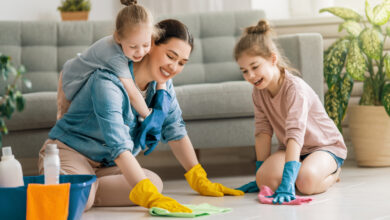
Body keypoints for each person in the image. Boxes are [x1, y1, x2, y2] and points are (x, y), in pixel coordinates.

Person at [38, 19, 243, 213]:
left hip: (108, 165)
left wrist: (199, 178)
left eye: (182, 63)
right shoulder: (107, 81)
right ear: (150, 44)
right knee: (130, 190)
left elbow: (175, 129)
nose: (174, 67)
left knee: (153, 182)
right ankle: (81, 189)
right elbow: (118, 144)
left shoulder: (163, 86)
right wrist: (148, 197)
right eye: (170, 56)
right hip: (70, 153)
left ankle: (86, 187)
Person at [234, 19, 347, 203]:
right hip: (291, 149)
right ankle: (299, 169)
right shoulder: (258, 92)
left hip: (323, 146)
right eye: (244, 71)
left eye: (255, 67)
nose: (251, 76)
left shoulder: (295, 89)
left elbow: (295, 133)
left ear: (272, 59)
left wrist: (287, 181)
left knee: (306, 183)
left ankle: (333, 174)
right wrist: (259, 173)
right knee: (265, 180)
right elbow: (263, 132)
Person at [57, 0, 161, 127]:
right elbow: (132, 93)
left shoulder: (127, 44)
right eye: (133, 46)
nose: (140, 52)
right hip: (71, 77)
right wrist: (148, 116)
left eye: (146, 45)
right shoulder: (114, 56)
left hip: (76, 68)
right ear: (118, 37)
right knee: (64, 121)